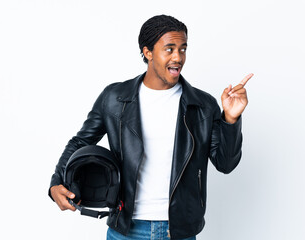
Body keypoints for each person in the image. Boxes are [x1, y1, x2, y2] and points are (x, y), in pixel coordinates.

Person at [49, 14, 253, 240]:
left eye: (183, 49)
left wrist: (231, 120)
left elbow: (225, 164)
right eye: (169, 49)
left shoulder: (202, 105)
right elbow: (81, 142)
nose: (178, 57)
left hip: (179, 231)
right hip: (126, 228)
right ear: (148, 53)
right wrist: (57, 181)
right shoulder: (115, 98)